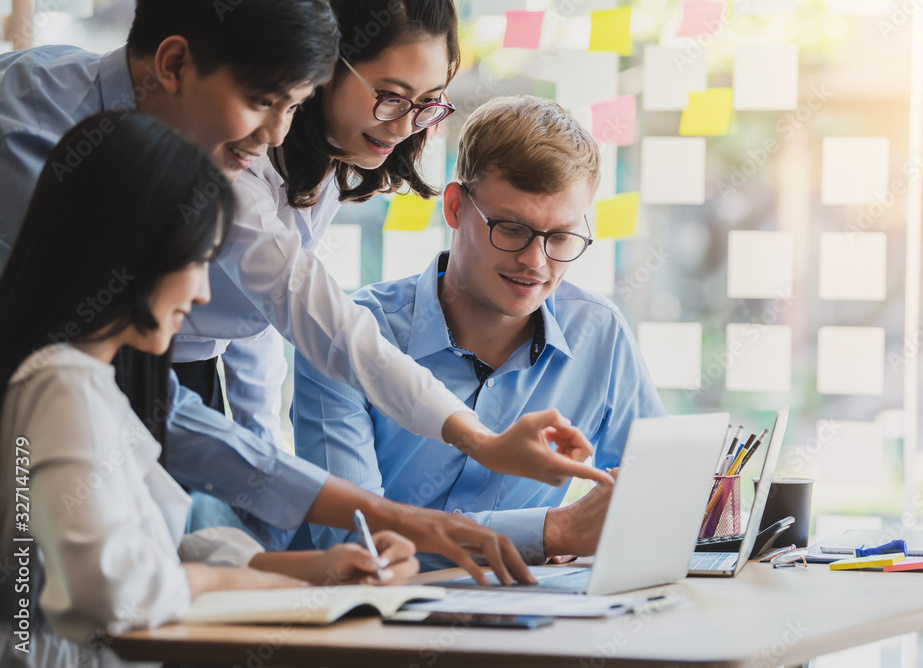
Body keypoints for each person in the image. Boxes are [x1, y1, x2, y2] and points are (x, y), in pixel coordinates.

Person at [0, 0, 600, 579]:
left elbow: (229, 363)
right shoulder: (39, 131)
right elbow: (116, 593)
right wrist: (473, 442)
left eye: (293, 104)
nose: (274, 133)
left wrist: (280, 549)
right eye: (266, 101)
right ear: (174, 65)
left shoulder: (268, 152)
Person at [0, 112, 419, 668]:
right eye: (198, 262)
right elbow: (118, 594)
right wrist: (234, 583)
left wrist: (317, 572)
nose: (200, 294)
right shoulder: (63, 384)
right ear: (133, 248)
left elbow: (166, 548)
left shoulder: (90, 384)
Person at [291, 95, 666, 567]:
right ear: (454, 207)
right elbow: (353, 545)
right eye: (511, 229)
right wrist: (551, 533)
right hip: (372, 627)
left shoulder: (599, 333)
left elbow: (656, 494)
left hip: (536, 624)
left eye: (561, 238)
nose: (535, 262)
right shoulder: (347, 333)